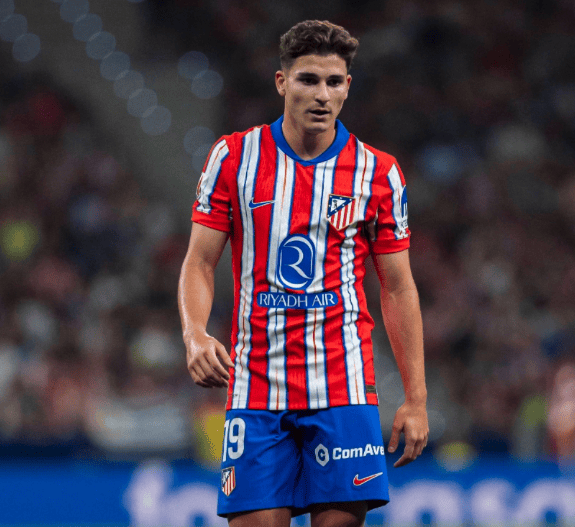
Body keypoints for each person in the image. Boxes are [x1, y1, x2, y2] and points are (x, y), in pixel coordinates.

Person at [178, 20, 428, 527]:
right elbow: (199, 262)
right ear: (281, 82)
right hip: (255, 386)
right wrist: (194, 334)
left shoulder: (378, 173)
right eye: (308, 80)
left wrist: (416, 398)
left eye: (334, 82)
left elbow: (398, 287)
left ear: (348, 87)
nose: (322, 95)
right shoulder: (234, 157)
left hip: (343, 387)